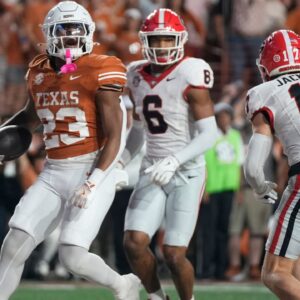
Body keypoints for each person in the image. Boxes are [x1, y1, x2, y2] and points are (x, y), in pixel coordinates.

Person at [0, 2, 140, 300]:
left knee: (72, 257)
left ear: (88, 34)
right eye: (62, 32)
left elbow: (116, 134)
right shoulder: (39, 71)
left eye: (76, 32)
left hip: (92, 167)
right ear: (49, 35)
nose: (70, 39)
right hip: (54, 170)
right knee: (14, 244)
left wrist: (95, 180)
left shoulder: (101, 68)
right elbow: (30, 116)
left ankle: (123, 284)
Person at [120, 8, 218, 300]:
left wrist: (175, 159)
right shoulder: (134, 74)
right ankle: (156, 297)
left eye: (167, 39)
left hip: (186, 171)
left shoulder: (191, 71)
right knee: (134, 243)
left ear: (181, 39)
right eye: (156, 40)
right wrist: (121, 161)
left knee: (174, 254)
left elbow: (210, 134)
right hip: (152, 168)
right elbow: (138, 130)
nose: (162, 46)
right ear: (144, 40)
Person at [244, 29, 300, 299]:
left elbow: (254, 166)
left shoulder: (263, 92)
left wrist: (259, 185)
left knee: (275, 272)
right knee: (296, 264)